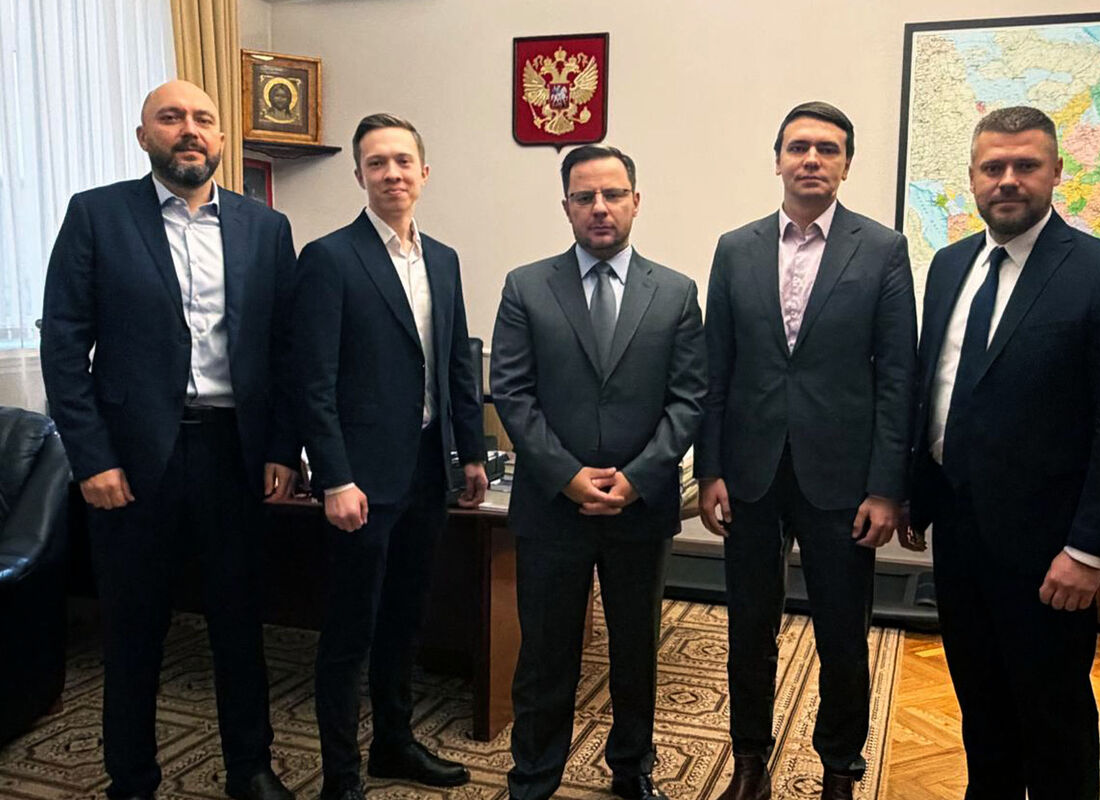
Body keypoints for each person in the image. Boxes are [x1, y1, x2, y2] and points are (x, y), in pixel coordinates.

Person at [40, 79, 298, 800]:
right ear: (144, 135)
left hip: (234, 454)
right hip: (131, 463)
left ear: (221, 138)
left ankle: (250, 768)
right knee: (134, 630)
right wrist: (92, 458)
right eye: (172, 117)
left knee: (240, 625)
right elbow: (63, 345)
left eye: (203, 119)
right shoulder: (96, 215)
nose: (190, 129)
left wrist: (283, 447)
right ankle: (132, 778)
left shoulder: (265, 228)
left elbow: (287, 349)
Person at [902, 105, 1100, 800]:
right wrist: (916, 494)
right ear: (972, 178)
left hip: (1049, 554)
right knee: (980, 707)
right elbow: (936, 388)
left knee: (1053, 720)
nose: (1008, 180)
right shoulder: (949, 265)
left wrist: (1089, 552)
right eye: (993, 167)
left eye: (1025, 165)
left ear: (1056, 172)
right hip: (957, 537)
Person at [697, 101, 917, 800]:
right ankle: (749, 762)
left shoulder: (882, 249)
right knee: (748, 629)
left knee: (843, 636)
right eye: (799, 147)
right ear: (778, 160)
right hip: (750, 475)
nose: (812, 159)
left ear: (847, 164)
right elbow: (715, 367)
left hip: (843, 482)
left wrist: (885, 487)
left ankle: (839, 770)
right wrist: (709, 470)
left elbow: (898, 377)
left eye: (828, 149)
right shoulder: (735, 248)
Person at [490, 144, 705, 800]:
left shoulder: (675, 292)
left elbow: (688, 399)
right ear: (566, 207)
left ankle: (632, 770)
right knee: (545, 654)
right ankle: (534, 777)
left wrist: (638, 478)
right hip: (552, 508)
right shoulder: (526, 286)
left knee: (635, 651)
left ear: (636, 201)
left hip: (641, 509)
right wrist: (567, 475)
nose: (600, 208)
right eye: (585, 197)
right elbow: (512, 392)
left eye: (613, 195)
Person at [292, 113, 488, 800]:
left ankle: (394, 746)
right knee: (351, 631)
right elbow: (313, 381)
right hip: (361, 482)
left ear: (424, 173)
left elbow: (457, 365)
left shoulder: (444, 259)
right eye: (377, 163)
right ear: (359, 176)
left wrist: (471, 454)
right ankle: (341, 775)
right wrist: (334, 477)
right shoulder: (329, 258)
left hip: (428, 472)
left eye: (403, 161)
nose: (392, 174)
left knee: (407, 619)